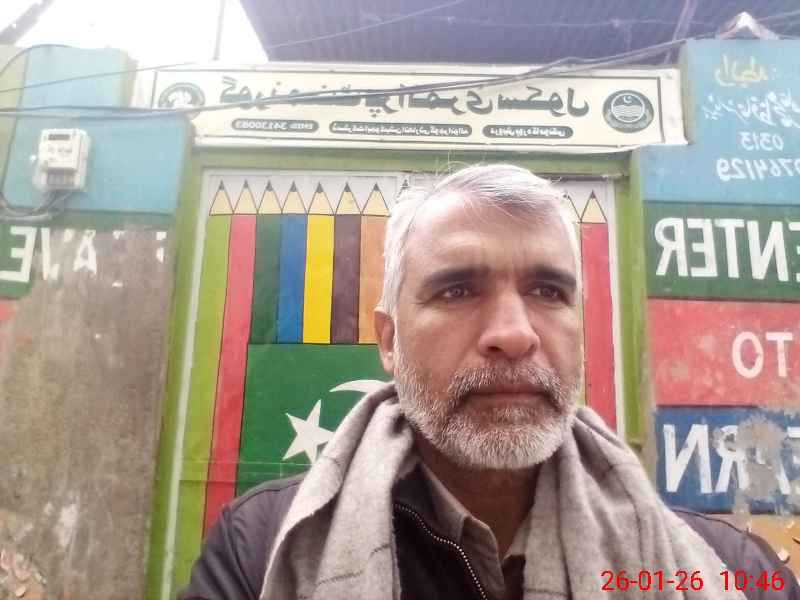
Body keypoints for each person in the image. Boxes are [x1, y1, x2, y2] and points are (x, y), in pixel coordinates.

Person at [181, 164, 798, 600]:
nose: (514, 334)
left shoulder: (733, 572)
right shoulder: (260, 552)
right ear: (390, 341)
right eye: (457, 290)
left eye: (547, 290)